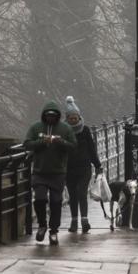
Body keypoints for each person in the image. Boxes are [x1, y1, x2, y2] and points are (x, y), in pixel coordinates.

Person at [23, 99, 75, 245]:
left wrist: (60, 142)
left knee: (56, 202)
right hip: (40, 171)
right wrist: (42, 142)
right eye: (48, 115)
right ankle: (42, 224)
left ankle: (53, 230)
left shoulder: (65, 129)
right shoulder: (36, 127)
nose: (50, 118)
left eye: (53, 115)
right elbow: (27, 144)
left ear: (57, 116)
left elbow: (73, 146)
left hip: (58, 172)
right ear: (44, 115)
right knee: (39, 199)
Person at [63, 96, 102, 233]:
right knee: (73, 195)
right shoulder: (63, 131)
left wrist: (97, 165)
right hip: (68, 168)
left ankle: (84, 220)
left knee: (81, 192)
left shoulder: (85, 130)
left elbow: (91, 149)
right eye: (70, 118)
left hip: (84, 167)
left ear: (79, 117)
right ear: (67, 118)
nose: (73, 120)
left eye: (75, 118)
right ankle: (74, 222)